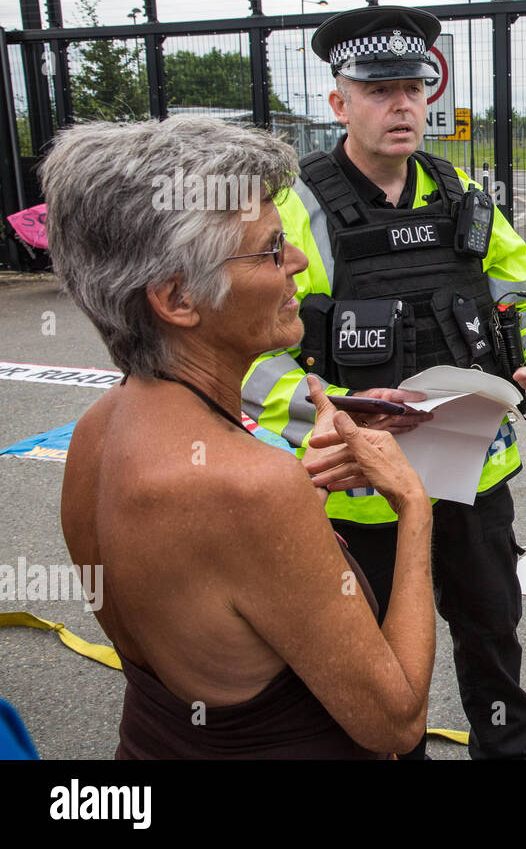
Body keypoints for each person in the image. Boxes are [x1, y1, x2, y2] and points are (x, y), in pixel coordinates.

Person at [42, 117, 435, 759]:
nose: (299, 263)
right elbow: (395, 723)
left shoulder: (99, 427)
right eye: (271, 249)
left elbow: (210, 590)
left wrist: (289, 480)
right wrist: (413, 508)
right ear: (177, 297)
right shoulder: (250, 489)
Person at [241, 6, 526, 760]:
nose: (403, 105)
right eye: (379, 89)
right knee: (373, 660)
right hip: (359, 493)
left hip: (475, 474)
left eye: (415, 88)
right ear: (338, 103)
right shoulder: (295, 211)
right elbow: (248, 356)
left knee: (491, 633)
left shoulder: (463, 197)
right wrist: (324, 420)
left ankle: (507, 748)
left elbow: (521, 295)